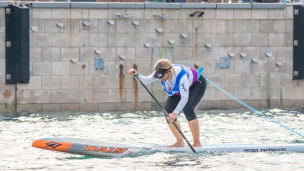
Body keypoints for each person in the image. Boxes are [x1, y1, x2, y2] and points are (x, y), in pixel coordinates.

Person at [128, 59, 207, 147]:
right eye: (159, 77)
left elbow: (184, 98)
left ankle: (197, 143)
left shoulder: (181, 76)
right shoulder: (160, 71)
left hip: (196, 84)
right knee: (167, 111)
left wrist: (175, 113)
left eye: (162, 77)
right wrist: (137, 74)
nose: (161, 79)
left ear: (169, 72)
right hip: (178, 90)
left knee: (188, 108)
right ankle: (180, 142)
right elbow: (147, 80)